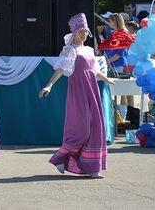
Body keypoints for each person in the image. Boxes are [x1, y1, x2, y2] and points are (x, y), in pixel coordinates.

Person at [40, 13, 112, 179]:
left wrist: (105, 78)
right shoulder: (70, 50)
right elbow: (60, 70)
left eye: (86, 31)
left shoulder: (88, 49)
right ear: (74, 33)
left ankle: (93, 168)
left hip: (91, 91)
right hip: (78, 92)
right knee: (82, 129)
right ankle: (60, 158)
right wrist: (49, 85)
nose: (85, 34)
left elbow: (94, 70)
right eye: (81, 31)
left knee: (95, 127)